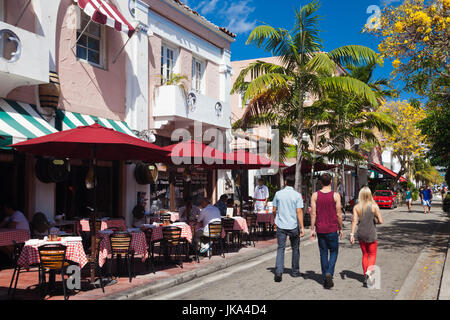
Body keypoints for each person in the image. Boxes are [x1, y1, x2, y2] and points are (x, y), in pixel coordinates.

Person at [310, 173, 343, 289]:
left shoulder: (315, 195)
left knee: (323, 253)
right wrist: (341, 228)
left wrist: (312, 228)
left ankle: (325, 277)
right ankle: (329, 272)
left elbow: (313, 213)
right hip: (332, 229)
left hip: (320, 229)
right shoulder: (336, 196)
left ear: (320, 182)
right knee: (334, 252)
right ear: (330, 182)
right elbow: (339, 214)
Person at [272, 178, 305, 282]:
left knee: (281, 248)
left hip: (281, 225)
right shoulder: (297, 195)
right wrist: (302, 226)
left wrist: (276, 219)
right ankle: (295, 271)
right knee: (295, 248)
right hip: (293, 225)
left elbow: (274, 209)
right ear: (294, 184)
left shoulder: (278, 194)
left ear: (285, 183)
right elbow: (299, 211)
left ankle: (278, 271)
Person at [350, 187, 383, 287]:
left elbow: (354, 221)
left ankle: (366, 275)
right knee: (372, 255)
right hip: (371, 233)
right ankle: (369, 272)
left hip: (361, 233)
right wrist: (375, 219)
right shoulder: (374, 206)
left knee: (365, 254)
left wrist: (352, 234)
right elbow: (381, 221)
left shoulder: (356, 207)